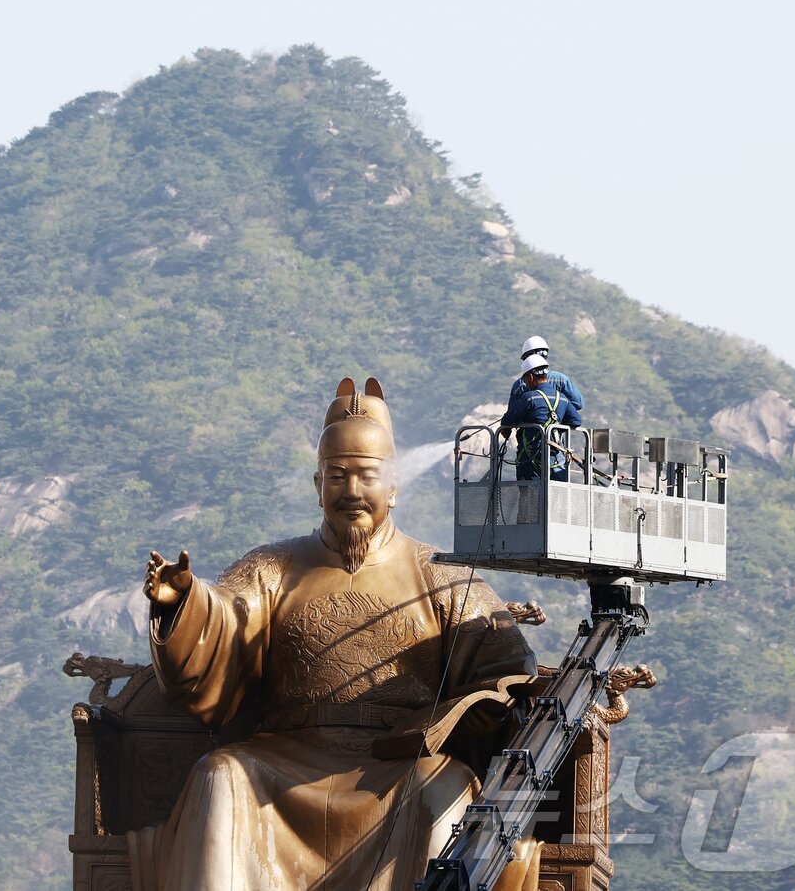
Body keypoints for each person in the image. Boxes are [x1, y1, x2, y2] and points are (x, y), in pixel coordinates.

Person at [129, 377, 539, 891]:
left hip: (400, 766)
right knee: (221, 775)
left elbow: (506, 666)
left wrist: (485, 700)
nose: (351, 492)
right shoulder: (272, 567)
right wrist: (184, 602)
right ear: (317, 485)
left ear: (394, 485)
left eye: (366, 476)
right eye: (336, 476)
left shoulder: (442, 574)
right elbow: (226, 621)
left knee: (448, 786)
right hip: (284, 758)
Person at [503, 354, 583, 481]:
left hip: (530, 460)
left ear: (530, 376)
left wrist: (507, 430)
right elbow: (576, 420)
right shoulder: (562, 398)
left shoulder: (529, 397)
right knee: (557, 497)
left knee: (529, 498)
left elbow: (507, 421)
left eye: (525, 380)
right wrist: (556, 428)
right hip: (556, 458)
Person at [507, 335, 583, 413]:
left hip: (531, 425)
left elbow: (512, 412)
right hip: (557, 424)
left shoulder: (520, 384)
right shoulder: (561, 379)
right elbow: (578, 404)